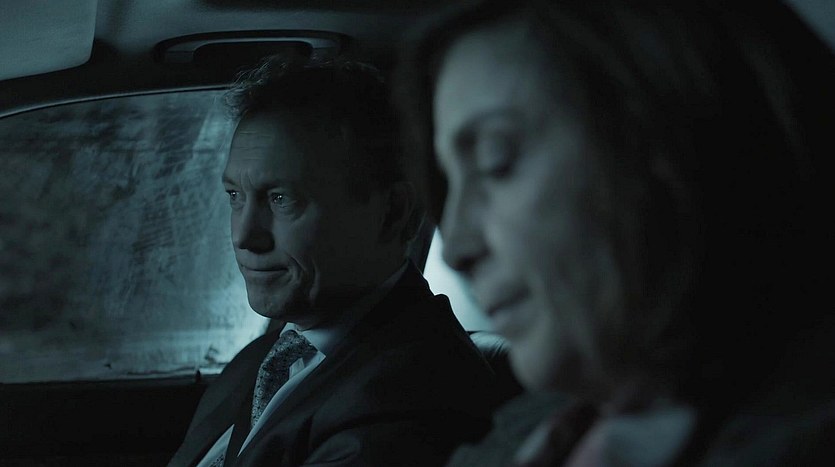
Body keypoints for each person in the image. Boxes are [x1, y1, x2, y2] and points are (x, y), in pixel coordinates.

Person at [395, 0, 835, 464]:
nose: (456, 248)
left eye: (495, 161)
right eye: (449, 185)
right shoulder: (533, 429)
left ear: (678, 141)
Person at [169, 58, 499, 467]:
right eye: (235, 196)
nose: (243, 236)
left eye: (281, 199)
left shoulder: (415, 394)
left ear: (393, 213)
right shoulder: (259, 359)